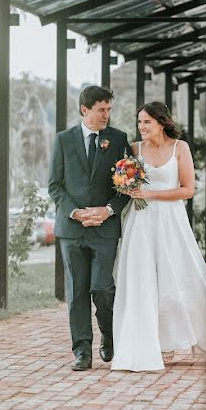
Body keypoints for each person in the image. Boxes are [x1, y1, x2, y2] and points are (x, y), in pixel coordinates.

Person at [111, 101, 206, 372]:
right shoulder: (134, 149)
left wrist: (151, 194)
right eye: (139, 122)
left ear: (162, 122)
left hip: (171, 222)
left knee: (178, 278)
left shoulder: (181, 148)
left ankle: (191, 339)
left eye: (147, 122)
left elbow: (187, 189)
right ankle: (150, 343)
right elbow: (125, 182)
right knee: (143, 282)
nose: (141, 127)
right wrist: (128, 189)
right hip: (140, 222)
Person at [48, 86, 132, 371]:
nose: (107, 115)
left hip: (105, 230)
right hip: (72, 230)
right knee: (77, 292)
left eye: (109, 109)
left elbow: (128, 185)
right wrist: (75, 212)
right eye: (101, 110)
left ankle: (109, 335)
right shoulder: (62, 140)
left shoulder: (118, 140)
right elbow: (54, 186)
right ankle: (82, 352)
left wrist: (107, 210)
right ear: (85, 110)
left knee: (102, 288)